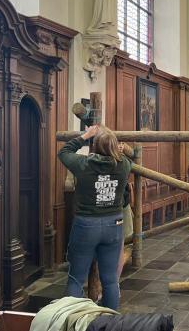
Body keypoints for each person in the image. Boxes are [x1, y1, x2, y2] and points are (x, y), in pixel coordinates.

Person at [58, 125, 132, 310]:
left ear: (95, 146)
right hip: (114, 223)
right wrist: (119, 149)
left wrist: (86, 135)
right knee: (110, 281)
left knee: (76, 278)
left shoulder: (83, 164)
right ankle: (110, 322)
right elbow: (129, 156)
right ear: (115, 147)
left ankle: (73, 321)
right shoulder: (123, 165)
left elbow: (64, 151)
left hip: (86, 225)